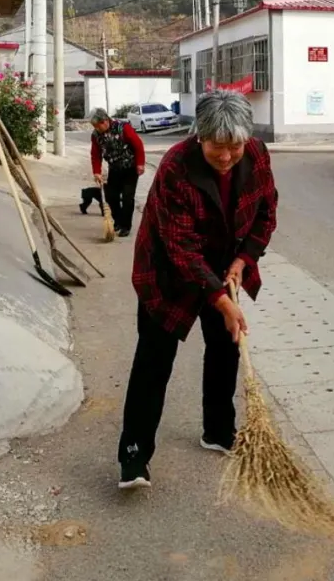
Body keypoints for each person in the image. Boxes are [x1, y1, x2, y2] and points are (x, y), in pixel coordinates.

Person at [117, 88, 278, 490]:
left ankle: (219, 431)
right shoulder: (175, 166)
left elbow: (266, 213)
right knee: (154, 361)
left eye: (235, 147)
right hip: (168, 272)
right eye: (217, 148)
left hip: (223, 267)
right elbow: (181, 249)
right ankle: (134, 455)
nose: (227, 157)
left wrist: (243, 262)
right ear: (198, 136)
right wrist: (221, 301)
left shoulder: (256, 154)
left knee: (225, 350)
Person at [89, 108, 146, 238]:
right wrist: (96, 172)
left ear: (105, 121)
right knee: (111, 196)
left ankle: (126, 226)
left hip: (130, 168)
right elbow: (95, 154)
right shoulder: (96, 135)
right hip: (114, 168)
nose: (97, 128)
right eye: (95, 126)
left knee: (127, 197)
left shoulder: (123, 128)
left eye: (98, 126)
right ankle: (118, 221)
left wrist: (140, 163)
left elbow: (138, 145)